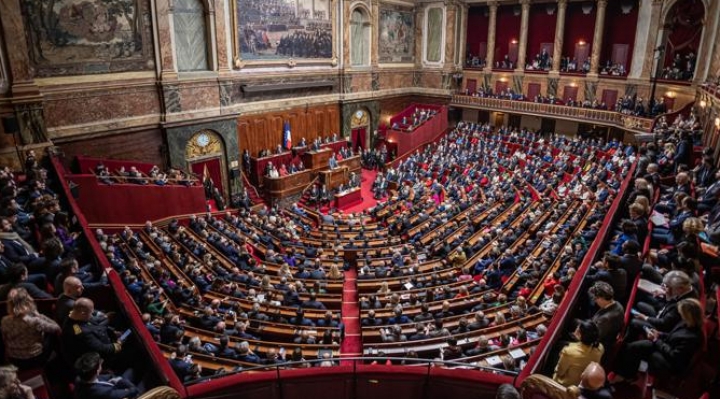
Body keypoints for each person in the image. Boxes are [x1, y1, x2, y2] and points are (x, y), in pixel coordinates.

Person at [612, 298, 704, 383]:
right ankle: (622, 366)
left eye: (682, 313)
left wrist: (656, 340)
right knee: (634, 337)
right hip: (665, 346)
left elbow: (674, 356)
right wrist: (659, 334)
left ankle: (627, 375)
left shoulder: (692, 337)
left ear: (688, 315)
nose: (680, 315)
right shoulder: (686, 322)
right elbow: (672, 335)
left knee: (636, 347)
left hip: (669, 362)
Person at [1, 287, 61, 369]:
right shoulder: (34, 321)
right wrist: (39, 315)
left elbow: (4, 339)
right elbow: (56, 328)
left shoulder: (4, 320)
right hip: (34, 359)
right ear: (27, 302)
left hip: (14, 359)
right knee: (52, 335)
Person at [553, 320, 604, 387]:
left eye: (577, 329)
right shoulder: (600, 347)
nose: (576, 328)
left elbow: (559, 372)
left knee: (554, 351)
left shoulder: (569, 352)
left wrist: (561, 357)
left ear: (580, 335)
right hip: (582, 381)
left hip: (566, 385)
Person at [74, 352, 144, 399]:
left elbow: (103, 378)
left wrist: (113, 378)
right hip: (116, 391)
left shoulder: (80, 377)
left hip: (111, 386)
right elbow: (133, 390)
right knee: (147, 380)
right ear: (97, 371)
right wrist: (120, 380)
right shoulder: (102, 392)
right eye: (100, 365)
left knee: (132, 370)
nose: (101, 364)